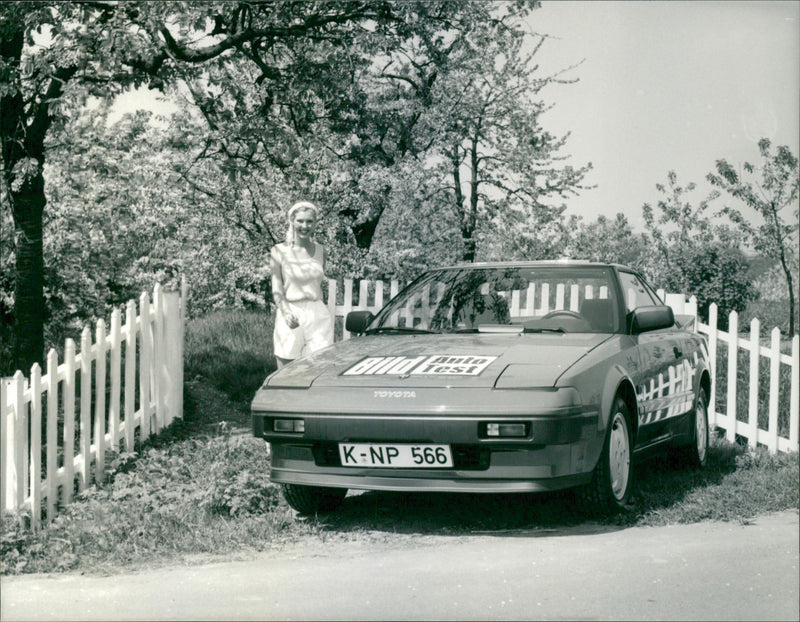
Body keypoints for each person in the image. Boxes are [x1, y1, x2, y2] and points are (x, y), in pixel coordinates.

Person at [269, 201, 333, 368]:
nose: (305, 226)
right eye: (300, 221)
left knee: (319, 366)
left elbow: (317, 284)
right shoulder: (279, 251)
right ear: (292, 221)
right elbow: (276, 288)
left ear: (315, 224)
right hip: (291, 310)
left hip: (317, 313)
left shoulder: (321, 250)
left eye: (309, 221)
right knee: (286, 370)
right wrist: (285, 312)